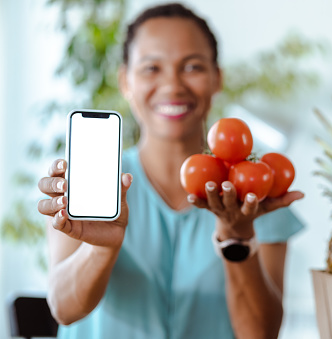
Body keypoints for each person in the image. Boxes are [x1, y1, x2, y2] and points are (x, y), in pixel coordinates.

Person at [37, 3, 304, 339]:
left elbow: (261, 334)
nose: (173, 85)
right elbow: (64, 308)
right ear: (125, 81)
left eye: (192, 66)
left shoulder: (256, 188)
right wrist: (100, 248)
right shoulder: (89, 180)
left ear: (217, 78)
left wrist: (238, 238)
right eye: (151, 68)